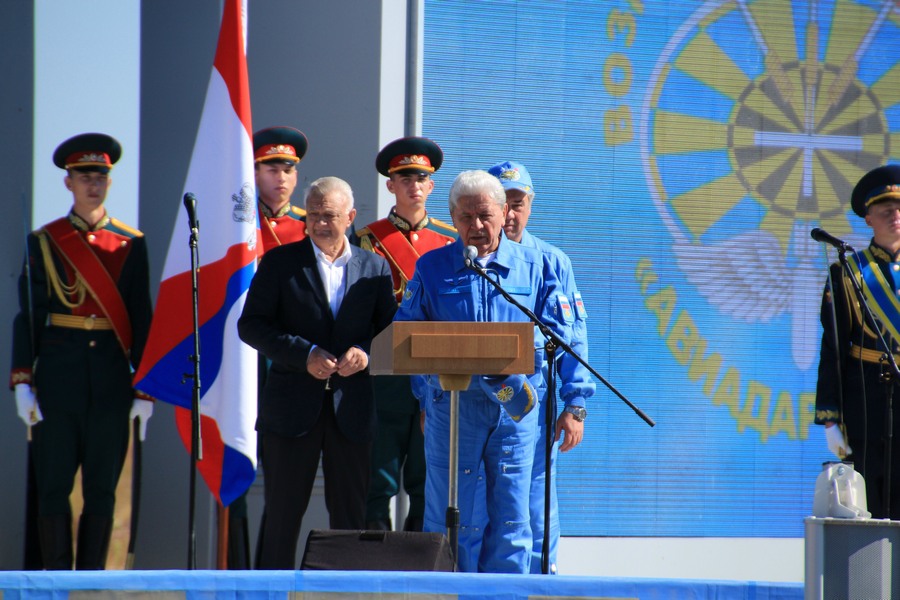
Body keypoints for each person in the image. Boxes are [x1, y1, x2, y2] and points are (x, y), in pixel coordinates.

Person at [394, 169, 571, 573]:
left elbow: (557, 335)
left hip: (515, 408)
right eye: (466, 217)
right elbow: (407, 337)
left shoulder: (536, 266)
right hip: (454, 408)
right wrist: (426, 398)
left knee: (512, 519)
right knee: (449, 518)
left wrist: (517, 364)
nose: (476, 226)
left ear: (503, 213)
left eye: (485, 216)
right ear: (453, 219)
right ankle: (449, 594)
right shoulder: (432, 267)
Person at [10, 133, 154, 570]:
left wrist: (145, 388)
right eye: (85, 176)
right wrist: (22, 379)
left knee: (102, 487)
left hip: (110, 377)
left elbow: (141, 315)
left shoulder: (131, 242)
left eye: (101, 176)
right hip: (59, 376)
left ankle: (90, 578)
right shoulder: (44, 241)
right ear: (68, 182)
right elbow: (29, 316)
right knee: (53, 483)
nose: (94, 184)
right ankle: (55, 579)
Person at [237, 176, 396, 569]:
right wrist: (303, 353)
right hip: (290, 410)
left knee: (350, 520)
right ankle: (269, 594)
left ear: (351, 217)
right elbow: (251, 325)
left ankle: (345, 594)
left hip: (351, 410)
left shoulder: (375, 267)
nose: (320, 223)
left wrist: (365, 354)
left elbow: (391, 332)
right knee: (281, 517)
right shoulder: (280, 262)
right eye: (313, 215)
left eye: (330, 216)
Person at [488, 160, 595, 574]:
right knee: (479, 510)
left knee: (534, 506)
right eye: (502, 203)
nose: (509, 214)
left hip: (533, 404)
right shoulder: (469, 259)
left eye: (518, 204)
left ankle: (537, 587)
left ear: (530, 206)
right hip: (473, 404)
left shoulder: (551, 262)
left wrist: (575, 405)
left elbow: (573, 338)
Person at [355, 136, 456, 532]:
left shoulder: (450, 240)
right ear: (390, 185)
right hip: (386, 373)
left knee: (426, 479)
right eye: (405, 178)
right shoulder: (367, 239)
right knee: (378, 478)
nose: (415, 185)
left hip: (434, 372)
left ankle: (420, 562)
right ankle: (372, 561)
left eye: (422, 178)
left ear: (432, 186)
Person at [234, 125, 310, 569]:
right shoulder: (237, 225)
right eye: (270, 168)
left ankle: (270, 575)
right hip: (241, 357)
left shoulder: (309, 227)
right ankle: (234, 572)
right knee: (235, 468)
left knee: (282, 481)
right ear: (254, 172)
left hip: (289, 360)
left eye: (287, 169)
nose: (280, 177)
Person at [816, 164, 900, 519]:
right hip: (866, 396)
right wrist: (830, 418)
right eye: (886, 211)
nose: (895, 216)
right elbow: (834, 347)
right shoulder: (849, 271)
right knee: (871, 499)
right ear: (868, 218)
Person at [254, 126, 310, 252]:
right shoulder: (242, 223)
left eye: (287, 171)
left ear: (295, 177)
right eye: (273, 171)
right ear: (256, 176)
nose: (281, 178)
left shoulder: (308, 224)